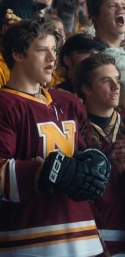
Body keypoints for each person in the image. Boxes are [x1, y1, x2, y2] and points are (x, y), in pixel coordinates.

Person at [0, 18, 109, 256]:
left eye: (54, 50)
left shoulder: (69, 102)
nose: (52, 58)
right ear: (18, 55)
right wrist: (44, 172)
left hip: (84, 238)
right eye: (42, 50)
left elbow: (86, 151)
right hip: (25, 241)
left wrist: (95, 162)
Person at [76, 53, 125, 255]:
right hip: (86, 239)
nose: (116, 86)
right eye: (106, 81)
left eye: (117, 80)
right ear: (86, 88)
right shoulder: (72, 129)